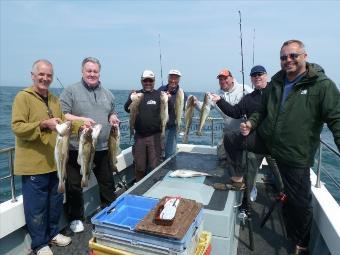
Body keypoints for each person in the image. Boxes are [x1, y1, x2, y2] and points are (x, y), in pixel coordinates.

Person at [240, 40, 340, 254]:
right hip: (271, 145)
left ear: (305, 56)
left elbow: (336, 120)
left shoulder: (322, 86)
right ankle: (243, 190)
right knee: (233, 141)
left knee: (300, 204)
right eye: (284, 57)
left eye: (293, 55)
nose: (288, 60)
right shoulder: (276, 83)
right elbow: (262, 112)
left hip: (296, 155)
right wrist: (251, 123)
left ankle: (301, 244)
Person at [11, 60, 72, 255]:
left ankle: (53, 233)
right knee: (36, 208)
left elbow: (62, 123)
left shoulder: (54, 100)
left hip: (54, 163)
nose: (45, 78)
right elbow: (17, 127)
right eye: (41, 74)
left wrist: (82, 126)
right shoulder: (23, 97)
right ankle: (39, 244)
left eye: (49, 75)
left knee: (54, 203)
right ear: (33, 75)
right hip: (33, 166)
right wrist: (43, 124)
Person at [59, 57, 120, 233]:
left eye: (95, 71)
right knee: (74, 186)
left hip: (102, 148)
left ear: (99, 73)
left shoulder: (108, 93)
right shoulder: (70, 91)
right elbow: (63, 115)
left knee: (107, 182)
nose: (92, 74)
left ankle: (109, 210)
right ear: (82, 71)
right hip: (77, 148)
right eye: (89, 71)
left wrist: (113, 118)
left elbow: (112, 112)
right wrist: (81, 120)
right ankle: (76, 218)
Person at [210, 65, 268, 189]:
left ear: (266, 76)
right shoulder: (248, 98)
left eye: (260, 74)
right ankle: (237, 180)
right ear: (251, 79)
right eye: (254, 75)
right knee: (229, 138)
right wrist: (220, 100)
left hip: (273, 138)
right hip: (256, 136)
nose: (257, 77)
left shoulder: (275, 92)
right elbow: (235, 112)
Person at [195, 68, 252, 158]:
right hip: (228, 132)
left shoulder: (244, 89)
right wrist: (195, 103)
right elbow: (205, 108)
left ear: (232, 78)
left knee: (243, 158)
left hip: (244, 131)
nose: (223, 81)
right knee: (221, 155)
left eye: (225, 78)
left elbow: (256, 102)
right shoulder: (218, 94)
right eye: (220, 79)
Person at [124, 70, 162, 181]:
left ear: (154, 81)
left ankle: (154, 187)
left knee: (155, 165)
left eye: (150, 80)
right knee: (140, 166)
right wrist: (130, 98)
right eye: (145, 80)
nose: (148, 83)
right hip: (139, 136)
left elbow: (168, 111)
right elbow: (126, 109)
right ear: (141, 81)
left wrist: (168, 100)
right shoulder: (136, 95)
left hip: (155, 136)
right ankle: (139, 189)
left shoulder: (159, 95)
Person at [158, 69, 185, 159]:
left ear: (179, 80)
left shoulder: (181, 92)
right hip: (159, 126)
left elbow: (189, 103)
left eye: (176, 78)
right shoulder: (161, 90)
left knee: (170, 154)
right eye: (171, 78)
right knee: (157, 153)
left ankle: (169, 170)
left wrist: (194, 101)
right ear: (168, 78)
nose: (173, 80)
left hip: (172, 127)